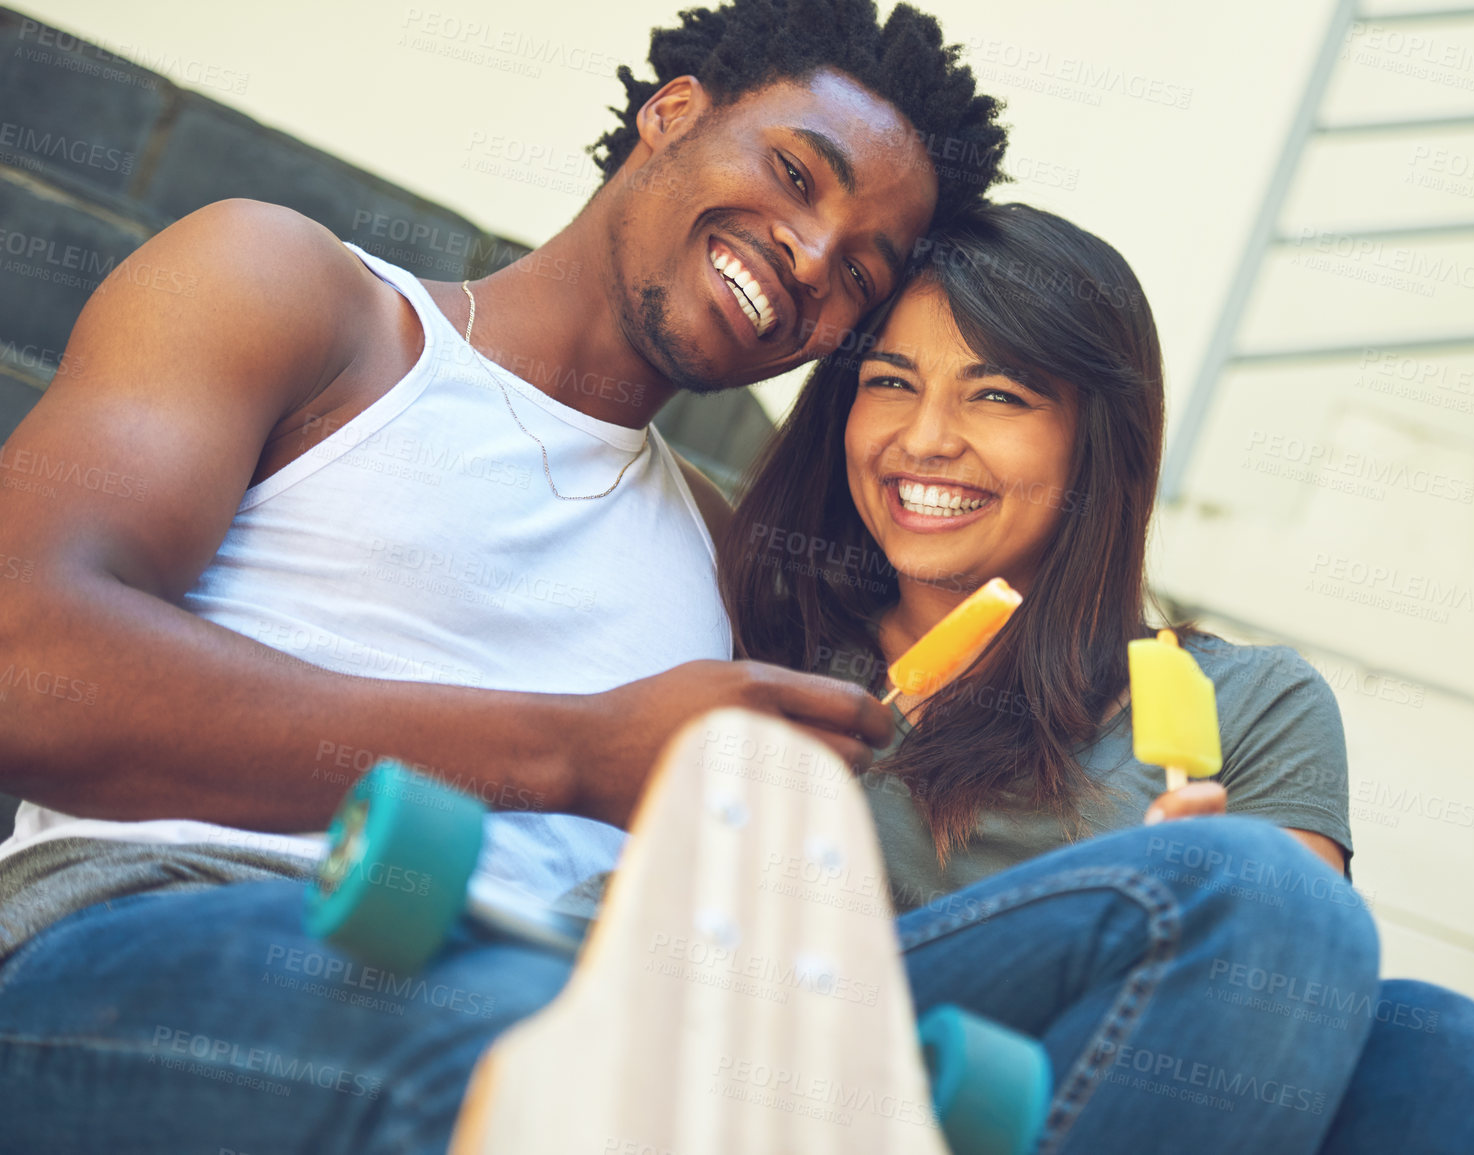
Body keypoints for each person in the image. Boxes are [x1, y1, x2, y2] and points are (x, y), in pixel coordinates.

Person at [0, 1, 1008, 1150]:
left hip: (569, 989)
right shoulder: (304, 299)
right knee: (589, 1067)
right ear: (670, 114)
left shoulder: (734, 567)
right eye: (793, 173)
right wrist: (576, 754)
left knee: (1203, 893)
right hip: (171, 918)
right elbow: (23, 660)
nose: (812, 255)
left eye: (862, 271)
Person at [718, 202, 1474, 1153]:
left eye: (996, 396)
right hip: (797, 1041)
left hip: (1111, 1098)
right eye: (889, 382)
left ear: (1095, 440)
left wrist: (1179, 879)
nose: (925, 438)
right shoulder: (760, 618)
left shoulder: (1250, 703)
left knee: (1452, 1047)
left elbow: (1297, 997)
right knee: (1255, 886)